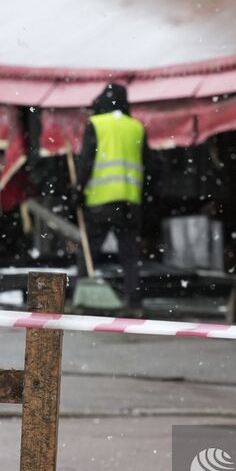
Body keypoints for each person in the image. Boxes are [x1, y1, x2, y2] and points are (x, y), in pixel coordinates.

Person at [75, 83, 149, 309]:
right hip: (129, 201)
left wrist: (78, 188)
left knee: (89, 250)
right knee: (129, 254)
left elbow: (87, 160)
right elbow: (149, 164)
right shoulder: (136, 127)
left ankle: (83, 295)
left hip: (101, 200)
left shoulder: (96, 124)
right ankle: (134, 301)